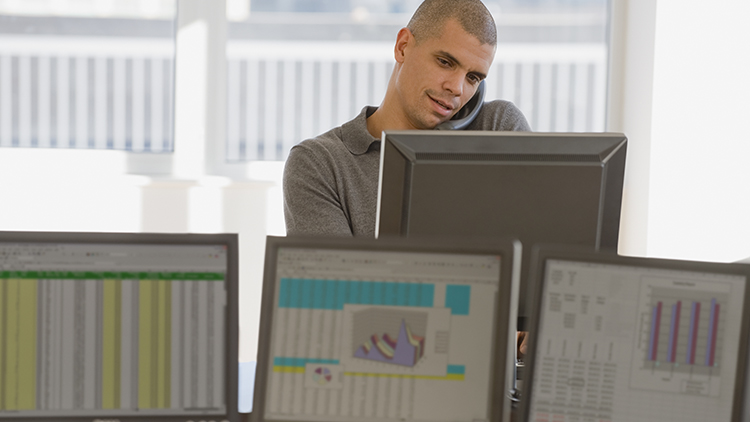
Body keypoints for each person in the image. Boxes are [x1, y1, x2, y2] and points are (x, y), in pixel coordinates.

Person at [283, 0, 530, 237]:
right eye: (445, 62)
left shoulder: (498, 129)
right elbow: (336, 280)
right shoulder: (319, 165)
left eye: (473, 78)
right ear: (402, 46)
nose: (457, 88)